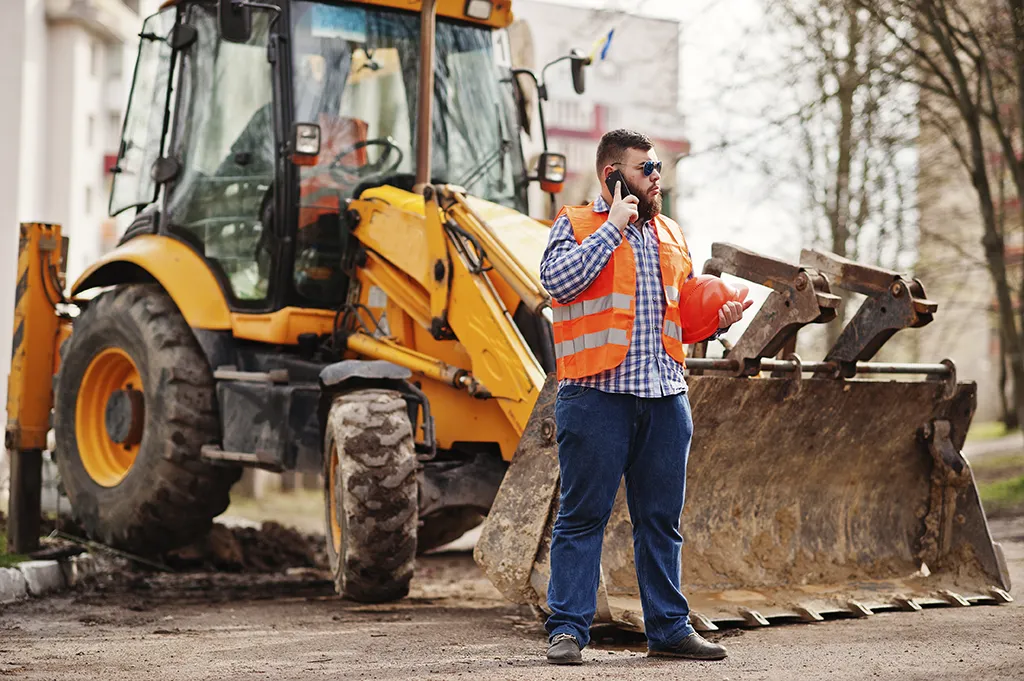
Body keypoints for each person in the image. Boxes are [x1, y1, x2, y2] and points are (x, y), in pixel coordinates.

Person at [538, 129, 751, 665]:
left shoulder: (671, 232)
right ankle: (567, 631)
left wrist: (716, 320)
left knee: (661, 521)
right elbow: (557, 283)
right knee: (582, 517)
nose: (657, 176)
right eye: (645, 168)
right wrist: (613, 226)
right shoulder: (576, 223)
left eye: (657, 166)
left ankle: (669, 629)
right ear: (612, 175)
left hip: (664, 395)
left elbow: (680, 314)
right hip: (596, 396)